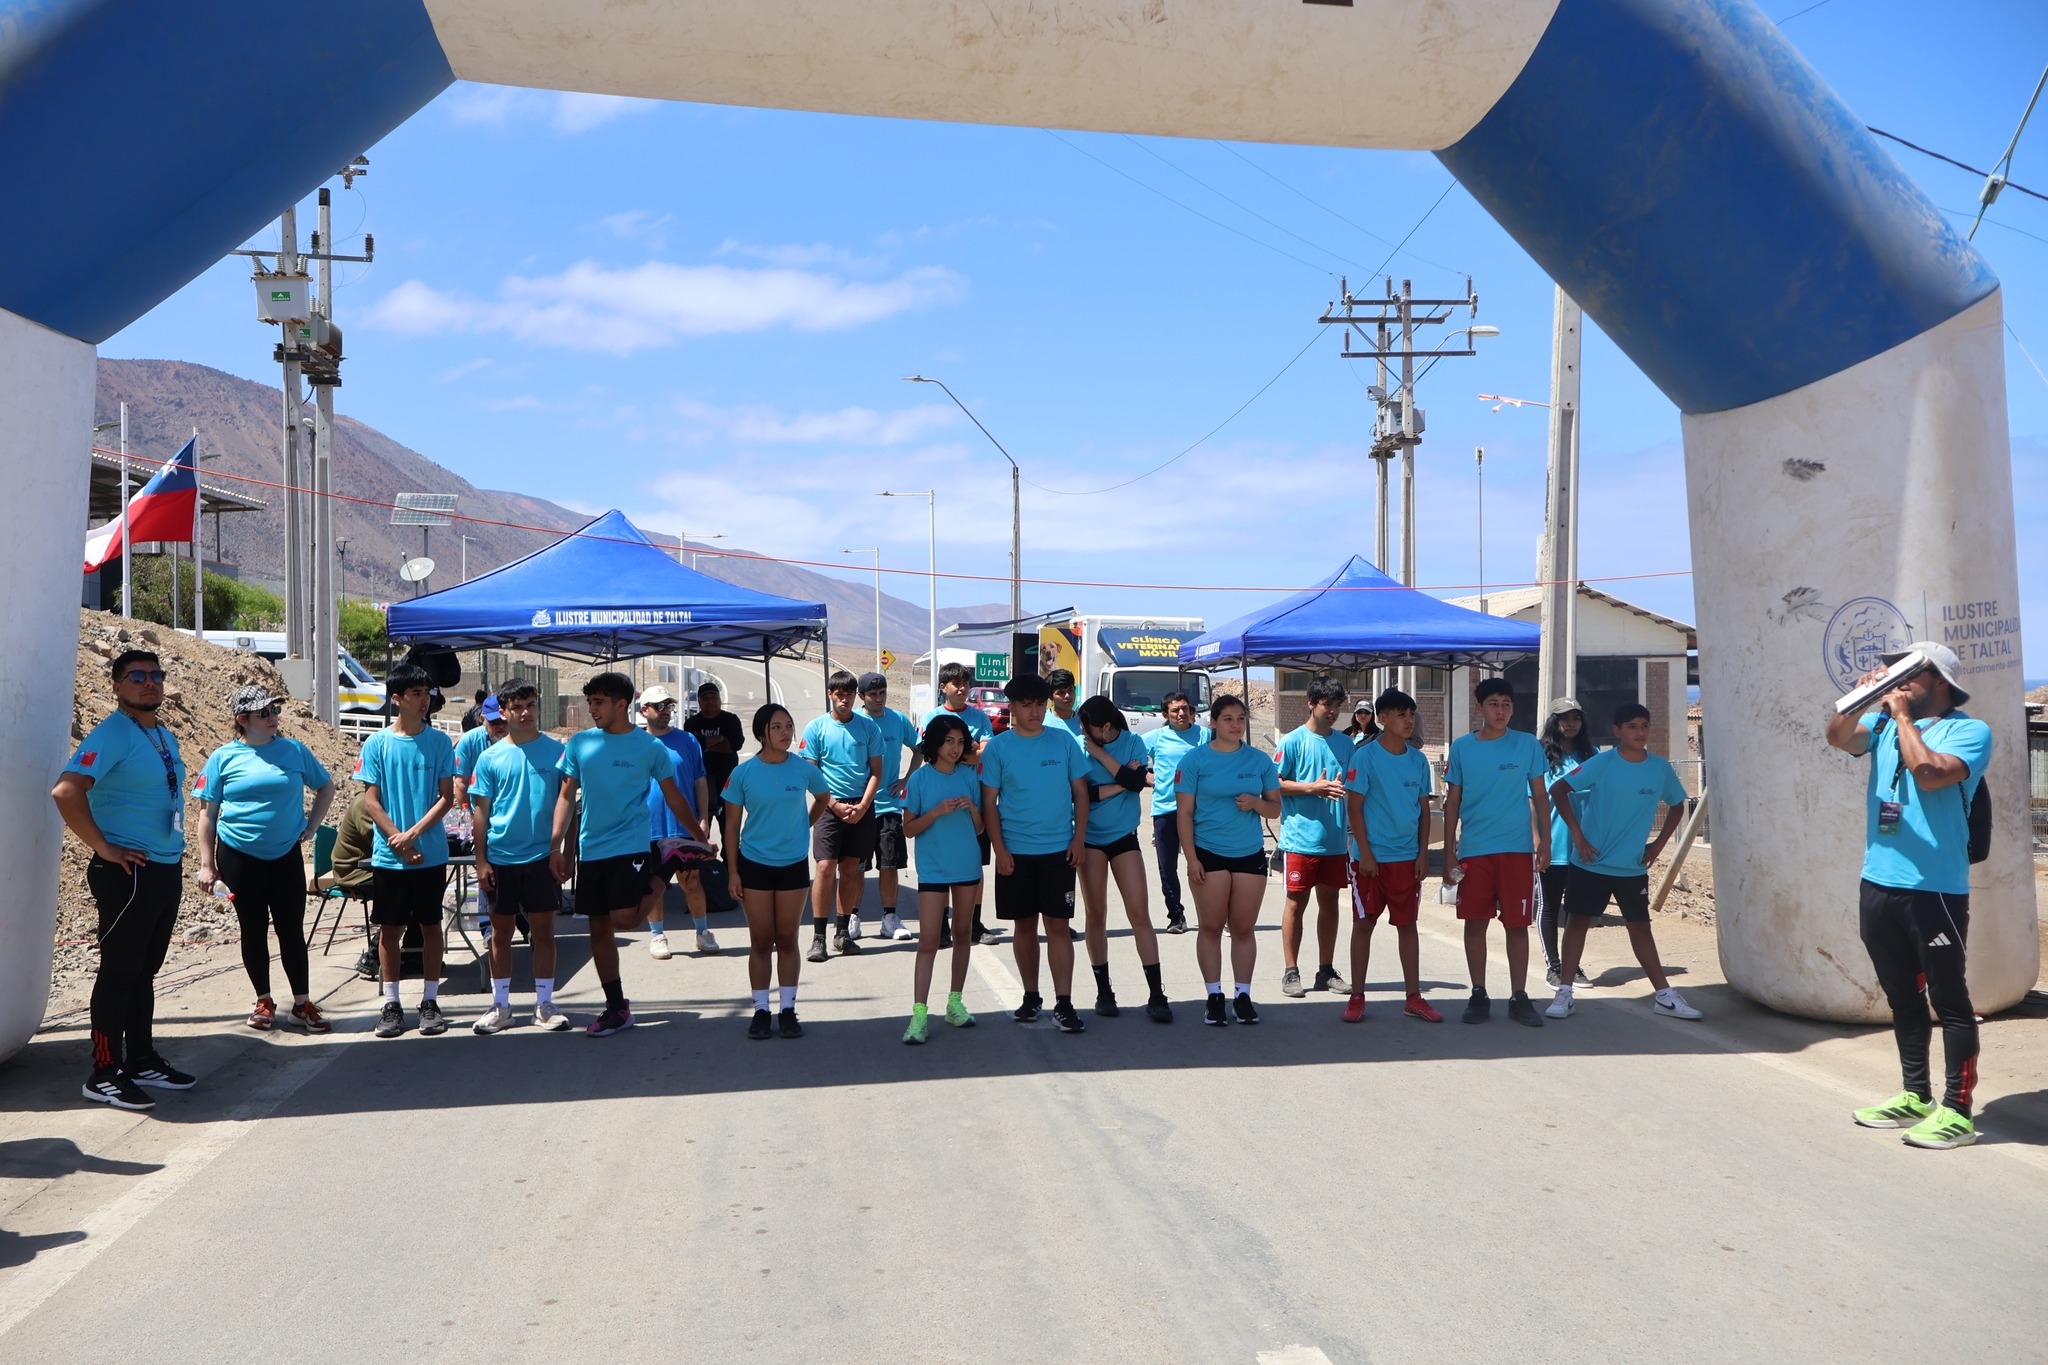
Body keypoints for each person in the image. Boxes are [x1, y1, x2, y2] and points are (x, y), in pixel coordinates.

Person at [1825, 642, 1992, 1151]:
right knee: (1902, 995)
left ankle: (1958, 1112)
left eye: (1908, 676)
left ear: (1939, 681)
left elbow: (1930, 774)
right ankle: (1915, 1096)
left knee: (1950, 1000)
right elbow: (1836, 738)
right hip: (1878, 882)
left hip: (1934, 890)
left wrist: (1899, 716)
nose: (1897, 683)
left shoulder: (1969, 731)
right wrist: (1858, 702)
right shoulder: (1880, 726)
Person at [53, 650, 197, 1110]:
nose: (149, 683)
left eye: (156, 676)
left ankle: (141, 1059)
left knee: (144, 972)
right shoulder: (113, 732)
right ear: (116, 685)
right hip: (128, 872)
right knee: (118, 974)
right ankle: (104, 1071)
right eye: (137, 676)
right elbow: (67, 790)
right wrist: (103, 847)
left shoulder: (161, 734)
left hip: (163, 867)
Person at [552, 671, 710, 1037]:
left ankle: (671, 861)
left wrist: (696, 833)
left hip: (631, 845)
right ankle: (616, 1007)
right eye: (590, 702)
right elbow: (565, 796)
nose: (592, 709)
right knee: (598, 928)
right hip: (592, 847)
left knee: (625, 919)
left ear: (622, 705)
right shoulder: (579, 744)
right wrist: (556, 846)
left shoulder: (648, 747)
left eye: (599, 702)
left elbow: (673, 794)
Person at [192, 685, 336, 1034]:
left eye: (275, 711)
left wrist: (311, 826)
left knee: (291, 929)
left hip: (285, 854)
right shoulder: (222, 758)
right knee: (252, 929)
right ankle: (264, 1000)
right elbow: (207, 815)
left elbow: (326, 787)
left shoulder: (294, 751)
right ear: (243, 719)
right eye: (264, 713)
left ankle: (302, 1003)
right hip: (239, 855)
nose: (273, 718)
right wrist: (207, 865)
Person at [1546, 702, 1697, 1024]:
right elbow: (1558, 789)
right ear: (1617, 731)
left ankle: (1664, 996)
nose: (1639, 732)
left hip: (1631, 867)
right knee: (1577, 924)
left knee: (1641, 928)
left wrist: (1658, 844)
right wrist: (1578, 836)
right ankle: (1565, 993)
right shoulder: (1601, 763)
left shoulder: (1659, 768)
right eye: (1632, 726)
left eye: (1644, 726)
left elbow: (1677, 804)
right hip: (1590, 863)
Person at [980, 672, 1092, 1032]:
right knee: (1024, 926)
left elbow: (1081, 793)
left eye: (1039, 704)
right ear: (1011, 708)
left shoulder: (1064, 742)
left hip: (1059, 850)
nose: (1034, 712)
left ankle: (1064, 1003)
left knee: (1059, 927)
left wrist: (1078, 840)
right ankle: (1031, 997)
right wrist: (1000, 850)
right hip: (1016, 852)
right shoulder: (998, 747)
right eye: (1026, 705)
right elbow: (989, 803)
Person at [1441, 676, 1550, 1027]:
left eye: (1506, 704)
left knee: (1517, 925)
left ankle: (1519, 996)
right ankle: (1478, 993)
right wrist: (1449, 852)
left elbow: (1540, 795)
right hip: (1475, 850)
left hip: (1517, 850)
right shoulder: (1462, 748)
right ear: (1480, 709)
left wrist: (1544, 841)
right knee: (1475, 923)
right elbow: (1452, 801)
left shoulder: (1527, 745)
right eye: (1493, 704)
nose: (1500, 711)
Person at [357, 663, 458, 1039]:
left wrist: (413, 835)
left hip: (428, 853)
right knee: (389, 930)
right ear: (397, 699)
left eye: (426, 693)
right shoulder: (377, 743)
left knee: (431, 925)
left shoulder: (439, 742)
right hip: (390, 856)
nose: (424, 700)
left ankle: (430, 1001)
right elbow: (371, 801)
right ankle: (392, 1003)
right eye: (416, 694)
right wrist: (397, 840)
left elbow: (446, 798)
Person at [466, 679, 572, 1034]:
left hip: (543, 858)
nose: (525, 713)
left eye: (530, 704)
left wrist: (564, 852)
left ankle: (544, 1004)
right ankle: (501, 1006)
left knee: (543, 931)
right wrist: (481, 862)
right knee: (500, 934)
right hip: (501, 859)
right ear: (504, 712)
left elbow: (569, 804)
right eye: (516, 707)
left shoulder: (558, 752)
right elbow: (480, 814)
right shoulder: (490, 757)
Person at [723, 703, 832, 1039]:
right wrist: (733, 872)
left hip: (792, 866)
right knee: (760, 941)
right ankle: (760, 1010)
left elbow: (824, 797)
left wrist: (804, 824)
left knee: (786, 940)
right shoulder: (743, 773)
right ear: (761, 734)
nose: (785, 733)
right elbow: (730, 825)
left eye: (788, 726)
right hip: (753, 865)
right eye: (776, 727)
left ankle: (787, 1009)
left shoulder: (803, 769)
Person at [1176, 693, 1281, 1026]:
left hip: (1249, 853)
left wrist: (1255, 803)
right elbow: (1184, 813)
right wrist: (1191, 859)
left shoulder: (1260, 761)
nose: (1236, 725)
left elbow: (1275, 808)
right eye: (1228, 719)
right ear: (1214, 722)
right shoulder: (1194, 761)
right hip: (1208, 852)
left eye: (1241, 719)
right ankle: (1214, 996)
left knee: (1243, 928)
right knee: (1210, 926)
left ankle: (1244, 995)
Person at [1342, 688, 1440, 1023]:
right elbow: (1354, 807)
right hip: (1369, 861)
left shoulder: (1417, 760)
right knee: (1364, 924)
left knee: (1407, 925)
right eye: (1401, 714)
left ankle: (1413, 997)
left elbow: (1424, 811)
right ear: (1382, 719)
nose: (1408, 720)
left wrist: (1423, 854)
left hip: (1406, 858)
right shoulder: (1365, 757)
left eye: (1411, 714)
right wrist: (1365, 854)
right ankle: (1357, 996)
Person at [1076, 696, 1172, 1022]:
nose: (1083, 733)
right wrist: (1121, 782)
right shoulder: (1078, 746)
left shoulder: (1132, 742)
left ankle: (1157, 993)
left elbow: (1137, 781)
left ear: (1105, 727)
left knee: (1139, 913)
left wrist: (1102, 758)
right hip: (1089, 840)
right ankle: (1104, 991)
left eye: (1089, 729)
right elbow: (1082, 794)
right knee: (1095, 914)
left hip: (1123, 838)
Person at [900, 713, 984, 1042]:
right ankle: (919, 1014)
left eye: (960, 742)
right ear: (935, 744)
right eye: (949, 741)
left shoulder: (970, 776)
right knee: (929, 940)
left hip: (966, 866)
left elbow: (979, 828)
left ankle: (955, 1003)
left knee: (963, 934)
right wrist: (935, 812)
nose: (955, 747)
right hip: (933, 868)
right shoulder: (920, 780)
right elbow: (908, 830)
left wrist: (971, 809)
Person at [1276, 676, 1354, 998]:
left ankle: (1325, 971)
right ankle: (1290, 972)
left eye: (1337, 706)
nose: (1333, 711)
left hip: (1335, 840)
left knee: (1331, 903)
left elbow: (1353, 783)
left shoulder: (1346, 744)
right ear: (1311, 703)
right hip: (1300, 840)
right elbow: (1273, 784)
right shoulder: (1292, 741)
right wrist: (1312, 787)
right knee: (1296, 903)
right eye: (1327, 704)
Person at [800, 670, 885, 959]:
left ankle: (842, 933)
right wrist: (833, 804)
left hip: (861, 807)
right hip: (828, 805)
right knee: (825, 868)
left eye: (848, 694)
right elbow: (811, 774)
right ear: (830, 695)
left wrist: (862, 806)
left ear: (854, 696)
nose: (844, 699)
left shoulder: (869, 729)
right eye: (839, 694)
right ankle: (818, 938)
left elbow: (877, 773)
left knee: (850, 869)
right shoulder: (816, 728)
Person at [921, 660, 1001, 947]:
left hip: (973, 800)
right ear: (943, 687)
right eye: (957, 683)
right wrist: (971, 750)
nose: (963, 687)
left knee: (975, 863)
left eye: (966, 682)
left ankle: (973, 923)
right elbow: (932, 754)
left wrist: (960, 753)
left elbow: (987, 753)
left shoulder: (979, 718)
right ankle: (941, 926)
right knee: (943, 862)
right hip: (940, 799)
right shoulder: (932, 716)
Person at [635, 685, 716, 960]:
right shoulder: (635, 742)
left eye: (668, 705)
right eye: (659, 706)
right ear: (644, 710)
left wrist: (703, 820)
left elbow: (699, 782)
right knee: (653, 885)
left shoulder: (688, 741)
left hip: (684, 828)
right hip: (648, 829)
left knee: (691, 882)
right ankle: (657, 935)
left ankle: (703, 932)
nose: (665, 711)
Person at [857, 671, 923, 941]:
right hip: (859, 806)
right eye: (872, 694)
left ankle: (889, 917)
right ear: (862, 697)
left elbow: (920, 748)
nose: (878, 698)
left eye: (882, 692)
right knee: (856, 867)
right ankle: (852, 917)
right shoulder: (855, 720)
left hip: (889, 806)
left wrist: (907, 778)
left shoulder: (897, 720)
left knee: (889, 864)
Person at [1538, 698, 1597, 988]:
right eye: (1564, 718)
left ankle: (1572, 966)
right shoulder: (1541, 756)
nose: (1571, 723)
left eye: (1576, 717)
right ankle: (1554, 966)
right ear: (1554, 722)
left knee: (1577, 909)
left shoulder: (1593, 755)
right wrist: (1539, 843)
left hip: (1584, 847)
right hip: (1554, 844)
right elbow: (1530, 803)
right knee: (1549, 907)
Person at [1143, 691, 1210, 935]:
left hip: (1199, 811)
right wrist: (1146, 776)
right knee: (1167, 866)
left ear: (1191, 711)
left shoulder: (1204, 735)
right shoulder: (1156, 737)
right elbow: (1130, 754)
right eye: (1175, 710)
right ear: (1165, 714)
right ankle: (1176, 916)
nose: (1181, 714)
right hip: (1166, 809)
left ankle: (1212, 915)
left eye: (1184, 708)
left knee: (1205, 865)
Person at [685, 681, 745, 831]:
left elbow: (735, 745)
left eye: (714, 697)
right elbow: (693, 748)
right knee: (702, 830)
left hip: (728, 783)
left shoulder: (731, 720)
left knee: (729, 829)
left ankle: (729, 855)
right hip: (701, 783)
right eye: (706, 698)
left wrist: (704, 743)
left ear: (719, 699)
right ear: (699, 702)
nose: (710, 701)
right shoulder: (691, 723)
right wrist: (721, 738)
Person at [1045, 668, 1084, 740]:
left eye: (1070, 690)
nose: (1067, 696)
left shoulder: (1084, 723)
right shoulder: (1042, 721)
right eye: (1061, 693)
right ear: (1051, 696)